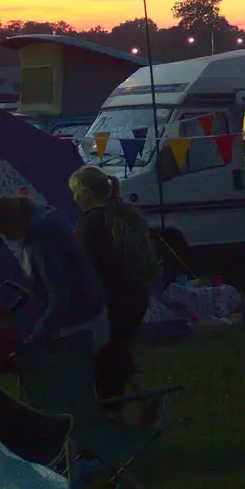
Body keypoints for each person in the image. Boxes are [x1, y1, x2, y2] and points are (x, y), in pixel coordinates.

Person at [68, 165, 158, 400]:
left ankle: (114, 409)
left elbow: (85, 268)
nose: (74, 198)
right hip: (136, 294)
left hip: (113, 300)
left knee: (107, 359)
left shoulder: (89, 224)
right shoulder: (123, 212)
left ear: (87, 193)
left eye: (76, 192)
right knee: (120, 349)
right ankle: (144, 396)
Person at [0, 194, 109, 354]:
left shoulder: (41, 236)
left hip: (79, 318)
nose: (6, 237)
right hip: (89, 309)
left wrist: (39, 334)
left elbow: (59, 292)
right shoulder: (44, 219)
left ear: (12, 222)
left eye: (4, 232)